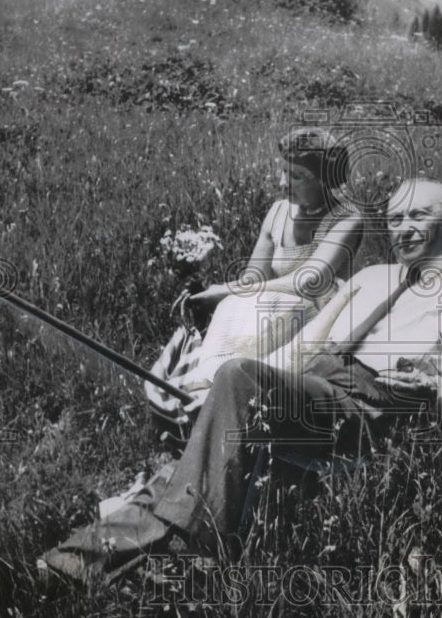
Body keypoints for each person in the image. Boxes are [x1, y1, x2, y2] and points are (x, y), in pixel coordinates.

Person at [43, 178, 442, 582]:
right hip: (319, 381)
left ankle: (180, 544)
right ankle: (56, 566)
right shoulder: (374, 276)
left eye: (418, 216)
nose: (404, 229)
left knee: (220, 418)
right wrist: (229, 391)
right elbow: (306, 344)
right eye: (395, 219)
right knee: (192, 464)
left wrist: (441, 391)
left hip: (378, 404)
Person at [145, 127, 362, 423]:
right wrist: (211, 292)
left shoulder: (346, 217)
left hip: (317, 314)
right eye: (283, 171)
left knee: (271, 305)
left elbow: (311, 281)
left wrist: (227, 290)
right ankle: (203, 388)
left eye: (297, 176)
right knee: (233, 304)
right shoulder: (277, 212)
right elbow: (253, 279)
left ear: (326, 180)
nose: (284, 183)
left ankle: (220, 396)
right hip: (272, 306)